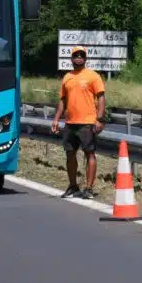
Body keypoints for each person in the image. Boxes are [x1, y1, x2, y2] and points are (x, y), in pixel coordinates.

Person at [51, 46, 106, 199]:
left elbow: (101, 98)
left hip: (87, 122)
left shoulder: (93, 76)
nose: (79, 57)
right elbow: (63, 100)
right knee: (69, 154)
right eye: (76, 55)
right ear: (71, 58)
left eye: (82, 55)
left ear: (85, 58)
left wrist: (100, 119)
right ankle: (73, 186)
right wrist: (56, 119)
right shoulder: (67, 77)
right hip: (70, 122)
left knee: (89, 153)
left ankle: (89, 188)